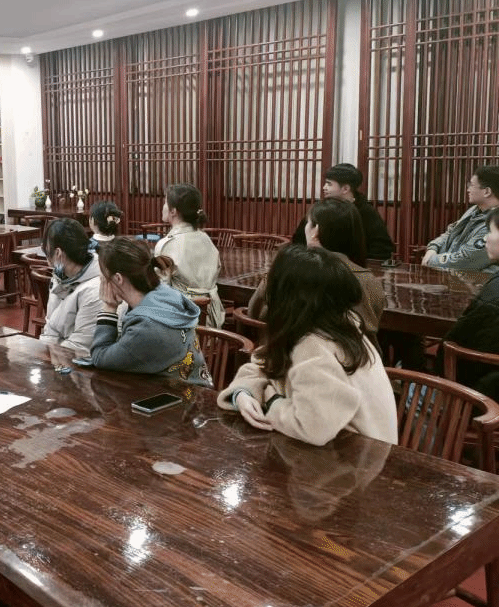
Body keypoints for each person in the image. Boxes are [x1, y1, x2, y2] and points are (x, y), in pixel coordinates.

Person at [217, 245, 397, 446]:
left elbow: (313, 428)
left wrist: (271, 400)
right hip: (353, 452)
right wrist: (244, 393)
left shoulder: (314, 344)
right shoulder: (338, 324)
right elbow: (266, 363)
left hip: (355, 456)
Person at [252, 198, 385, 340]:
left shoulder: (285, 268)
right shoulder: (370, 281)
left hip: (287, 351)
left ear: (316, 230)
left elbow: (254, 312)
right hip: (353, 353)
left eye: (307, 223)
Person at [90, 237, 210, 384]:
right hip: (191, 387)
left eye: (103, 275)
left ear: (118, 279)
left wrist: (109, 308)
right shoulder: (165, 294)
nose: (101, 280)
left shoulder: (145, 327)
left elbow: (100, 357)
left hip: (178, 394)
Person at [444, 207, 499, 399]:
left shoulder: (494, 293)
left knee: (409, 391)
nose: (485, 238)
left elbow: (459, 344)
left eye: (491, 231)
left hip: (482, 395)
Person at [153, 183, 224, 328]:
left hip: (182, 320)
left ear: (173, 211)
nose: (163, 206)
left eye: (165, 202)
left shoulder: (166, 245)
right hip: (213, 320)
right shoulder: (206, 239)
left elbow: (161, 289)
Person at [290, 163, 395, 261]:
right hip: (317, 263)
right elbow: (298, 241)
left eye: (329, 184)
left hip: (353, 267)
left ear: (345, 189)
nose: (324, 188)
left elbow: (382, 249)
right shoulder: (320, 209)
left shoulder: (366, 211)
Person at [39, 218, 103, 354]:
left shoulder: (95, 289)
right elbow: (50, 328)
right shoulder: (60, 276)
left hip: (78, 361)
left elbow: (80, 346)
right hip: (58, 355)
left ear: (58, 253)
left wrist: (47, 356)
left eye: (46, 249)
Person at [423, 165, 499, 272]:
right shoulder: (474, 210)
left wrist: (431, 260)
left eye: (471, 185)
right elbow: (451, 231)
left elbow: (467, 260)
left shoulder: (495, 222)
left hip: (475, 280)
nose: (468, 190)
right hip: (452, 275)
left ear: (487, 191)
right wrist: (433, 248)